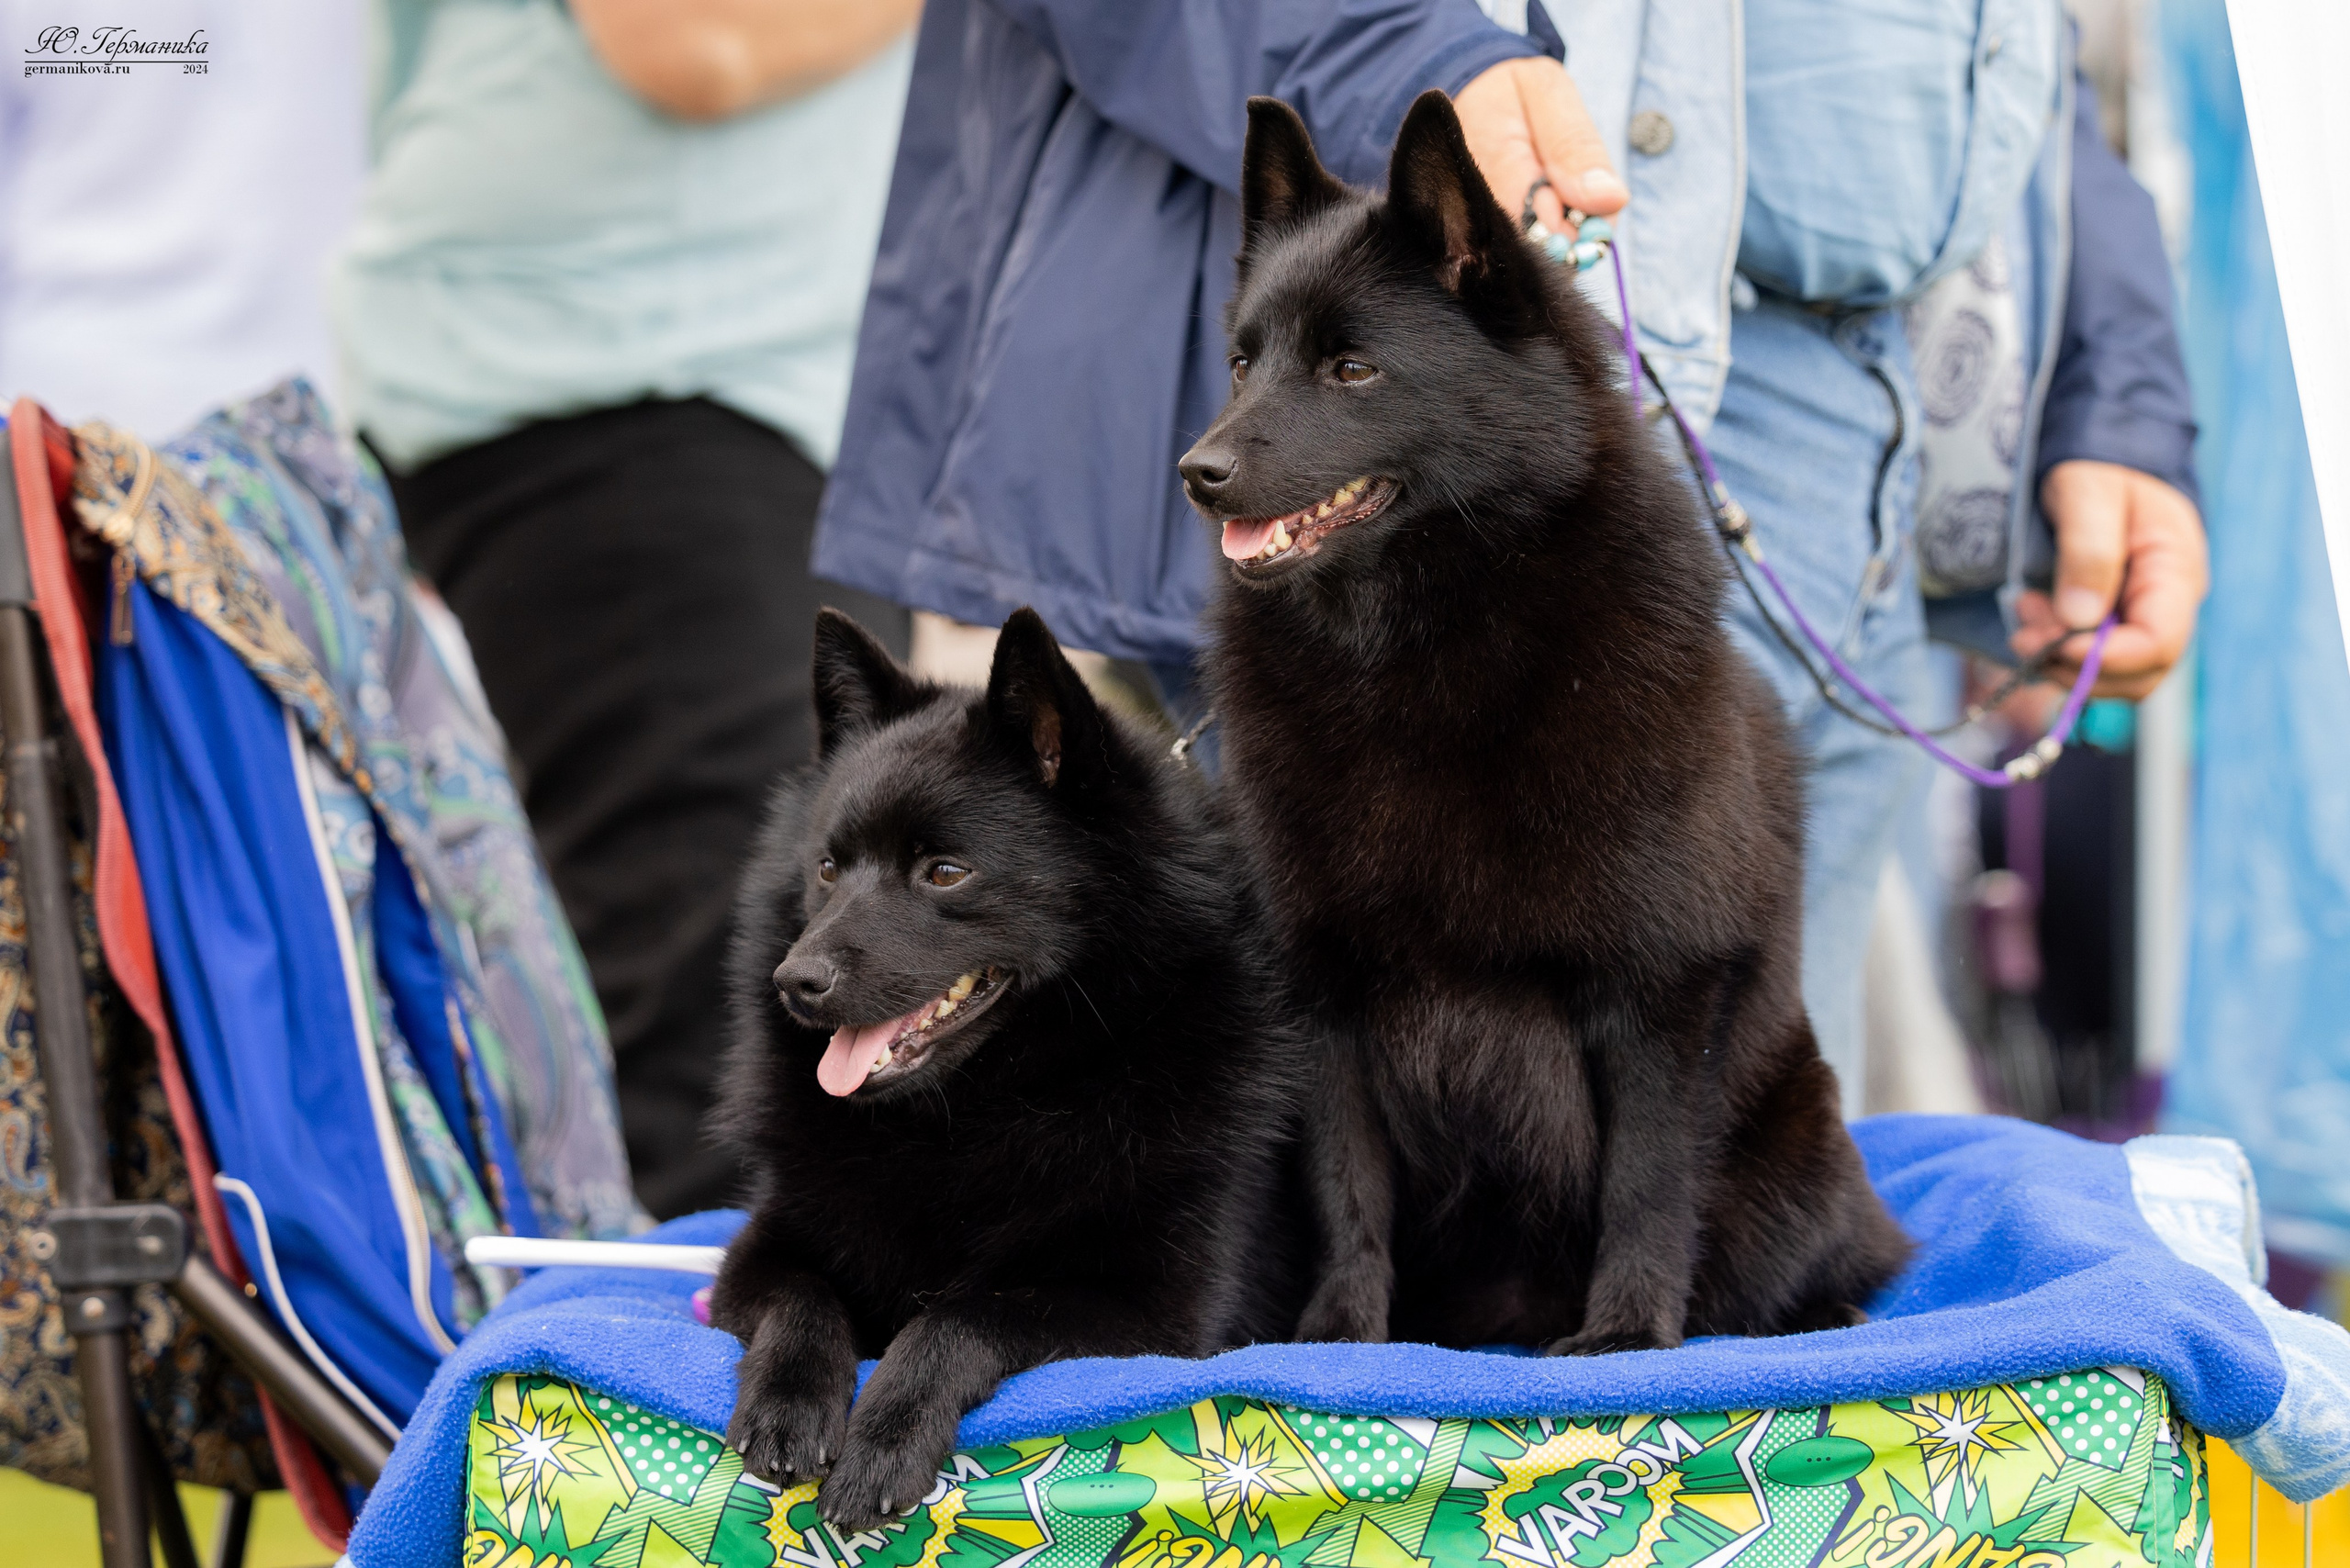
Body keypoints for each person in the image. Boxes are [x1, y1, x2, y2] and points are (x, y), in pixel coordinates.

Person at [809, 0, 2205, 1115]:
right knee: (1396, 1223)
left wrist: (2117, 390)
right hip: (1444, 479)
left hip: (1882, 454)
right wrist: (1403, 44)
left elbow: (2027, 67)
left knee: (1705, 1208)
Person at [333, 0, 918, 1217]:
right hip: (635, 381)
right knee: (751, 1053)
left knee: (803, 1025)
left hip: (701, 379)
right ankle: (672, 1406)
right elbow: (688, 39)